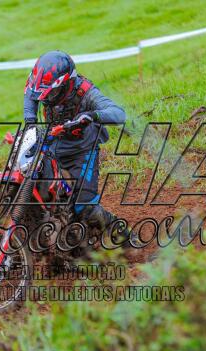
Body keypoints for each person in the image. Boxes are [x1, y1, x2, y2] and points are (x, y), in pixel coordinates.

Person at [23, 50, 127, 233]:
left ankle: (123, 235)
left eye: (51, 93)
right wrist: (30, 121)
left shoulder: (86, 93)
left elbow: (119, 113)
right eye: (43, 94)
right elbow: (30, 95)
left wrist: (92, 115)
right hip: (52, 144)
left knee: (85, 208)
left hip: (82, 151)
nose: (45, 99)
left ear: (67, 84)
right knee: (30, 181)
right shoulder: (41, 88)